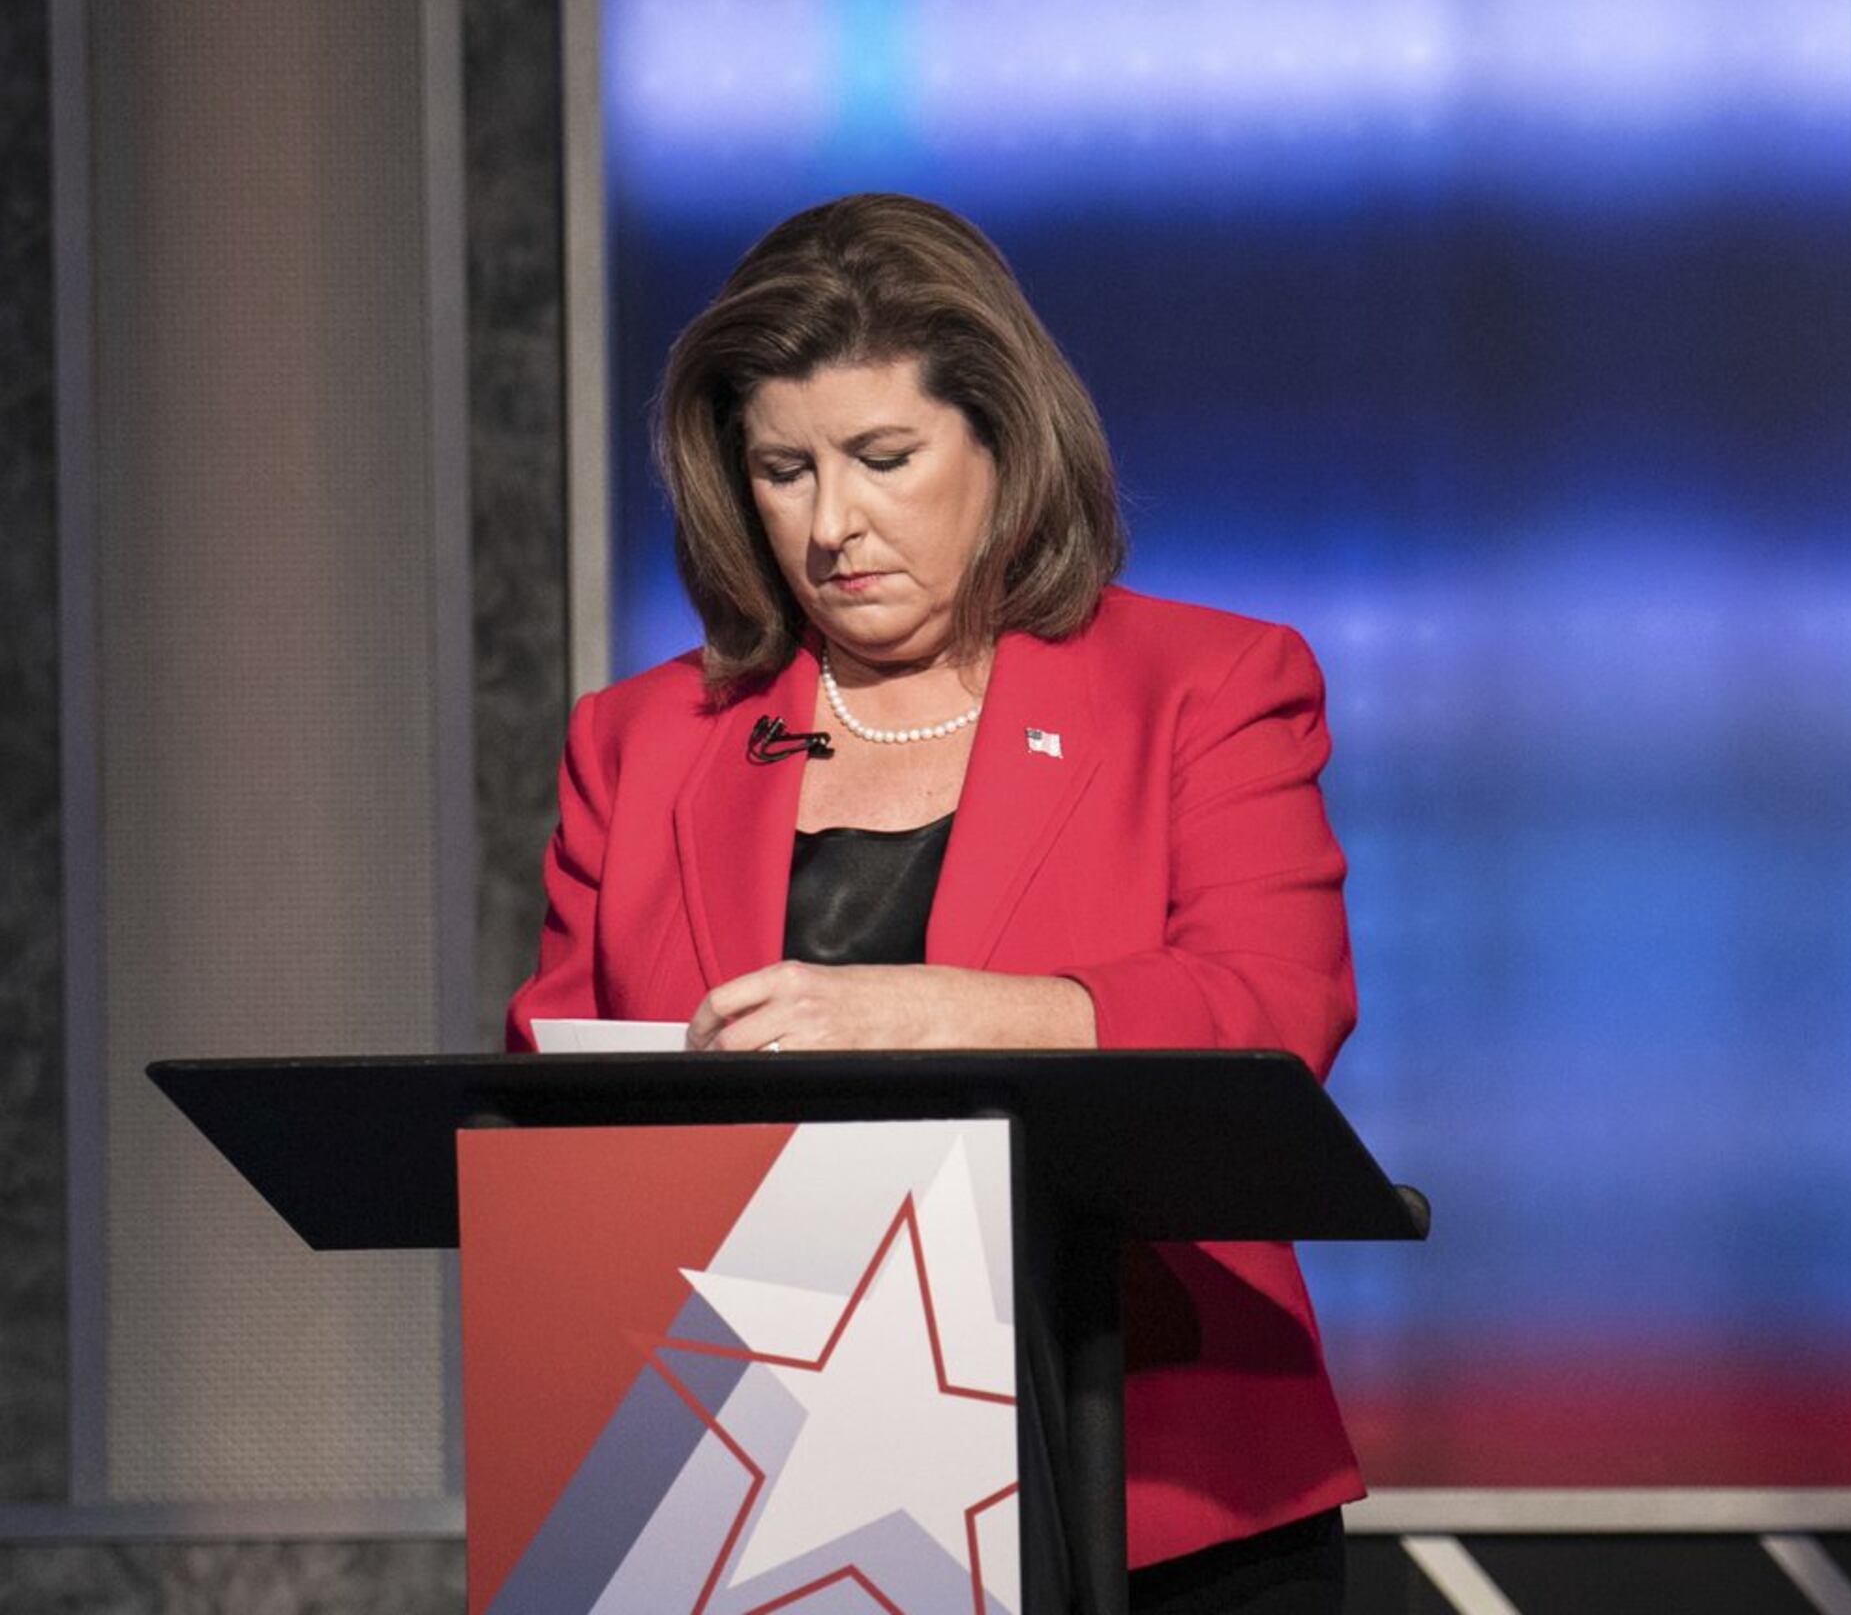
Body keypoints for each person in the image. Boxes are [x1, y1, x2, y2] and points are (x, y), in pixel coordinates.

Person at [510, 192, 1359, 1615]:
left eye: (883, 457)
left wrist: (921, 1015)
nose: (832, 524)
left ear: (1002, 447)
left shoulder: (1205, 688)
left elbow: (1273, 1014)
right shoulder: (639, 741)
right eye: (783, 470)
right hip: (738, 1490)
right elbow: (550, 1097)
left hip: (1145, 1481)